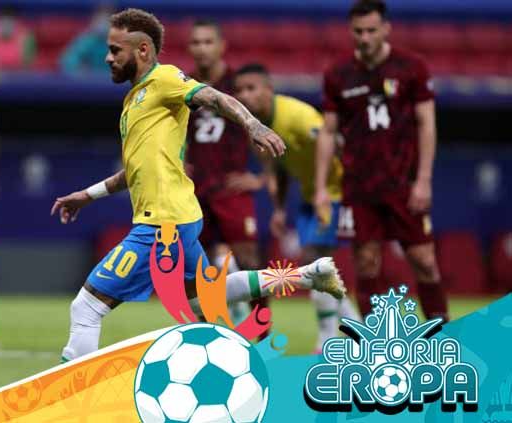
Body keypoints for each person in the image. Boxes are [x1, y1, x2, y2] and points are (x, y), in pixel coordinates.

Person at [51, 8, 346, 362]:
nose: (107, 57)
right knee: (209, 296)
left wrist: (253, 126)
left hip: (161, 225)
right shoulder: (135, 100)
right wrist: (87, 195)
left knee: (86, 308)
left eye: (116, 50)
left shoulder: (165, 80)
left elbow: (218, 97)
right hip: (182, 217)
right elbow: (135, 170)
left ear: (143, 50)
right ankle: (307, 276)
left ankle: (77, 404)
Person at [314, 0, 448, 320]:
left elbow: (426, 123)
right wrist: (320, 187)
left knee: (424, 260)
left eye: (372, 30)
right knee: (366, 263)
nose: (365, 37)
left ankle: (443, 334)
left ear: (386, 29)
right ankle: (376, 340)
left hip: (404, 182)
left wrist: (424, 180)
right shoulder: (338, 74)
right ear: (350, 32)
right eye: (358, 31)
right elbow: (328, 132)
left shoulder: (412, 67)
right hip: (359, 186)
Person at [233, 63, 361, 352]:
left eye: (251, 88)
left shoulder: (299, 116)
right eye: (239, 90)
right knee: (318, 265)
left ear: (269, 89)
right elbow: (277, 168)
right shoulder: (256, 128)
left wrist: (325, 192)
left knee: (316, 260)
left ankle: (330, 336)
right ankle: (354, 330)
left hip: (335, 191)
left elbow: (336, 145)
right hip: (309, 196)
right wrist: (278, 208)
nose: (244, 95)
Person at [183, 20, 266, 324]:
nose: (202, 49)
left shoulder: (238, 85)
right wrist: (179, 163)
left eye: (208, 42)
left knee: (249, 262)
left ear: (221, 46)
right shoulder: (183, 86)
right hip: (194, 192)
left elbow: (267, 129)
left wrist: (261, 178)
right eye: (196, 42)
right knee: (196, 269)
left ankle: (264, 337)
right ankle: (204, 334)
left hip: (232, 189)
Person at [59, 3, 113, 76]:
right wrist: (80, 71)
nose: (103, 22)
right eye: (100, 18)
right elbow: (68, 61)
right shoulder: (86, 40)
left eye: (107, 18)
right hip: (89, 83)